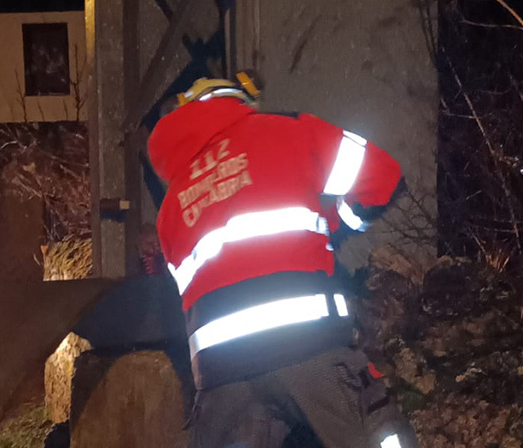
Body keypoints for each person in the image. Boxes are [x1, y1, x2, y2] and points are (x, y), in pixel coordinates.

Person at [147, 72, 417, 448]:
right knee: (380, 438)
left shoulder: (171, 208)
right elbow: (383, 178)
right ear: (237, 101)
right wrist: (335, 225)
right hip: (309, 349)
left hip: (221, 377)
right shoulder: (285, 130)